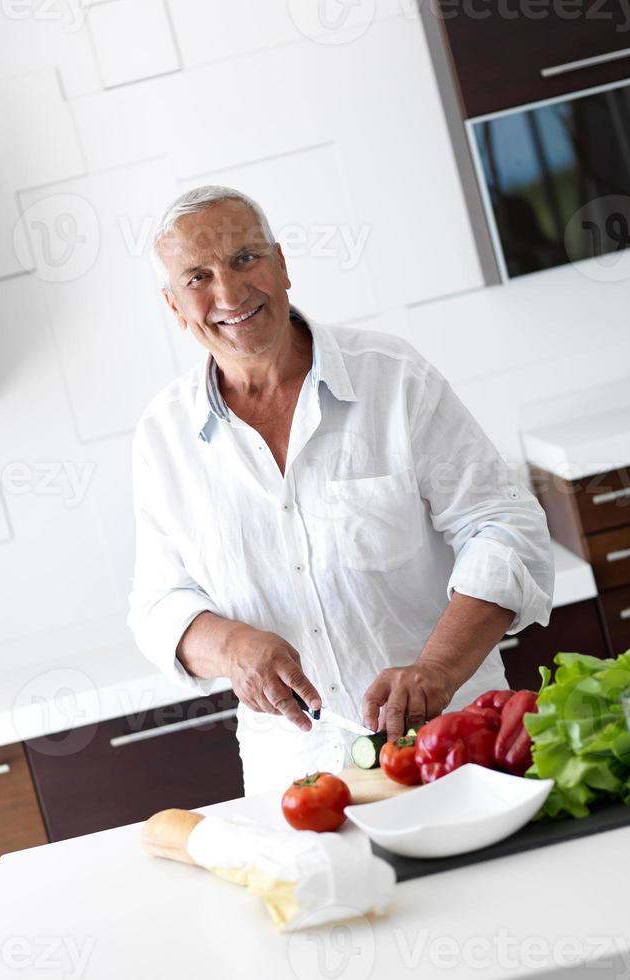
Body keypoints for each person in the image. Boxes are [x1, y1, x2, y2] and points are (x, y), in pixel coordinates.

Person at [127, 185, 554, 796]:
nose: (229, 293)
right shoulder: (163, 436)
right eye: (198, 276)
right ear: (174, 307)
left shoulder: (395, 377)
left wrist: (437, 668)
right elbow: (156, 605)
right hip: (298, 780)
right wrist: (232, 647)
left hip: (459, 742)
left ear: (281, 265)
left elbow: (504, 528)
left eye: (246, 259)